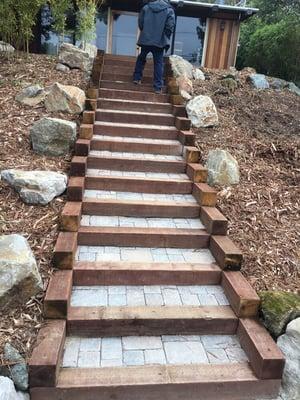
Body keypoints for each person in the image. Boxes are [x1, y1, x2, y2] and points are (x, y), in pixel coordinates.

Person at [133, 0, 175, 94]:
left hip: (146, 39)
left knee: (141, 58)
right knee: (158, 63)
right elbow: (170, 26)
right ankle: (157, 87)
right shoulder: (169, 10)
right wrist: (164, 36)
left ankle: (137, 78)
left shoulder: (146, 7)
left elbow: (141, 23)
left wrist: (145, 32)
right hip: (159, 41)